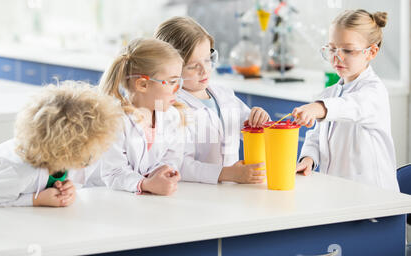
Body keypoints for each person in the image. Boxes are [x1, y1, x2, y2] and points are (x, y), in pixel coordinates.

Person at [0, 81, 122, 206]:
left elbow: (55, 183)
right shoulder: (18, 170)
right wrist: (36, 200)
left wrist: (67, 191)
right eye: (90, 154)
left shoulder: (61, 161)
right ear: (66, 149)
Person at [155, 16, 270, 185]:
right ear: (169, 68)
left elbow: (250, 127)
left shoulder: (224, 95)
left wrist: (260, 118)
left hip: (229, 194)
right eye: (193, 66)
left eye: (208, 60)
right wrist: (227, 174)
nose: (205, 70)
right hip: (194, 196)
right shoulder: (170, 107)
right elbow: (178, 165)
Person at [292, 9, 398, 191]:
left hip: (376, 202)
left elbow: (351, 106)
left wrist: (317, 108)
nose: (337, 57)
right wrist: (308, 158)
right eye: (333, 48)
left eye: (348, 50)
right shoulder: (328, 94)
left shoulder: (374, 92)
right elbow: (316, 137)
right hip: (339, 193)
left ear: (371, 52)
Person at [89, 38, 185, 195]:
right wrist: (146, 183)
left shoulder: (171, 116)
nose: (178, 89)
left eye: (179, 81)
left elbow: (172, 158)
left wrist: (164, 172)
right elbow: (114, 173)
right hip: (104, 197)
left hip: (140, 200)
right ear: (143, 85)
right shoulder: (115, 121)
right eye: (172, 82)